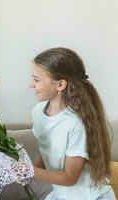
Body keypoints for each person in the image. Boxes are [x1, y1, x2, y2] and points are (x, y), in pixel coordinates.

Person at [29, 47, 116, 200]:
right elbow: (47, 150)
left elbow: (70, 177)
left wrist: (29, 171)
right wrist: (30, 170)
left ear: (60, 85)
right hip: (63, 194)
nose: (31, 84)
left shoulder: (75, 123)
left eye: (36, 80)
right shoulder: (38, 112)